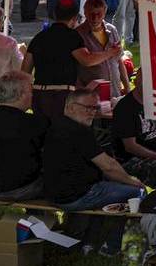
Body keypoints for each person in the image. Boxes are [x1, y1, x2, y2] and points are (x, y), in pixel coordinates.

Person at [43, 89, 145, 253]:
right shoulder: (78, 131)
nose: (92, 112)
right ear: (69, 107)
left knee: (111, 185)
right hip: (76, 196)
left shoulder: (57, 124)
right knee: (137, 193)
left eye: (95, 108)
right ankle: (113, 247)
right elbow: (108, 166)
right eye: (87, 107)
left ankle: (91, 240)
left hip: (53, 192)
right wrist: (133, 182)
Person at [22, 0, 121, 121]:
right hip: (62, 95)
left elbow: (25, 70)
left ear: (54, 14)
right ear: (75, 18)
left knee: (43, 131)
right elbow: (87, 60)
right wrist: (110, 52)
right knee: (62, 132)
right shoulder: (73, 36)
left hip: (39, 95)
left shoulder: (38, 37)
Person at [0, 71, 48, 200]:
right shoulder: (36, 122)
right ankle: (39, 219)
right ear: (22, 95)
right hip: (20, 188)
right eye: (31, 92)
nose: (32, 95)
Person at [75, 0, 131, 99]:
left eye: (98, 14)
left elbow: (119, 61)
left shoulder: (112, 30)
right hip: (92, 95)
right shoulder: (78, 34)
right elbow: (83, 62)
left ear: (105, 12)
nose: (95, 18)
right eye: (91, 14)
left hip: (114, 91)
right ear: (85, 12)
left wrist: (127, 87)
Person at [0, 5, 23, 79]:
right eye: (3, 19)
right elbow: (18, 67)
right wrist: (22, 52)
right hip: (2, 86)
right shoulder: (10, 42)